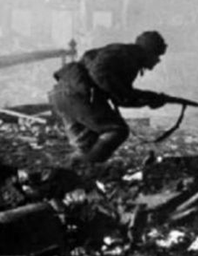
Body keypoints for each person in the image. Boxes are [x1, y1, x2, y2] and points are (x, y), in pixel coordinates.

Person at [48, 30, 170, 164]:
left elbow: (123, 96)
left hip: (62, 95)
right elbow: (102, 76)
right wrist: (150, 99)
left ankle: (71, 172)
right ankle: (86, 166)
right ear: (148, 52)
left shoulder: (121, 52)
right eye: (156, 55)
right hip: (78, 96)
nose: (157, 61)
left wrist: (150, 98)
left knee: (87, 145)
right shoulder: (128, 56)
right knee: (117, 130)